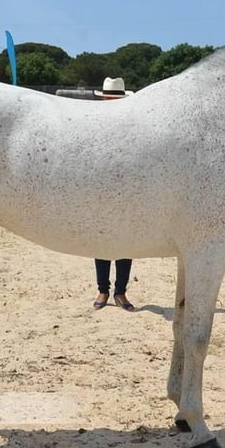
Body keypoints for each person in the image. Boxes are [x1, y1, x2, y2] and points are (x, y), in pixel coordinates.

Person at [91, 77, 136, 312]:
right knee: (101, 239)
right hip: (101, 187)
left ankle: (121, 291)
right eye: (109, 98)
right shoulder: (95, 122)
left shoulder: (131, 125)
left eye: (114, 99)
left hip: (127, 189)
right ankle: (102, 289)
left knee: (126, 242)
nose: (111, 102)